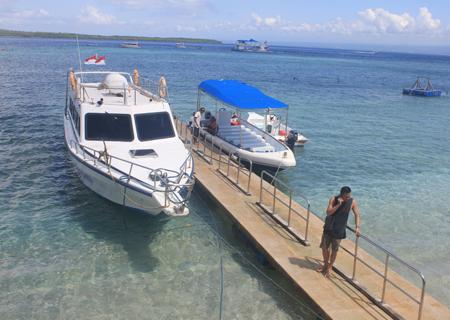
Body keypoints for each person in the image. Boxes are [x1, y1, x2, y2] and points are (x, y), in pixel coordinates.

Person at [318, 186, 361, 278]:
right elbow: (328, 212)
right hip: (328, 227)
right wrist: (338, 205)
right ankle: (325, 264)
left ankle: (330, 267)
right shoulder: (334, 199)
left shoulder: (352, 202)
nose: (348, 198)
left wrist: (357, 227)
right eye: (346, 196)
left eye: (349, 196)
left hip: (339, 229)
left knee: (334, 249)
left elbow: (357, 214)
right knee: (325, 248)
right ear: (342, 195)